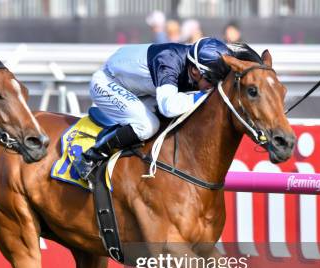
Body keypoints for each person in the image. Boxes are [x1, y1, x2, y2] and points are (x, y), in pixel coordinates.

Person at [73, 37, 232, 179]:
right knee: (147, 126)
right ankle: (92, 156)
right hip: (107, 82)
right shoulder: (168, 61)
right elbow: (168, 107)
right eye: (212, 80)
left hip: (139, 89)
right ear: (195, 70)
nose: (213, 87)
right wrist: (203, 94)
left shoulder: (197, 64)